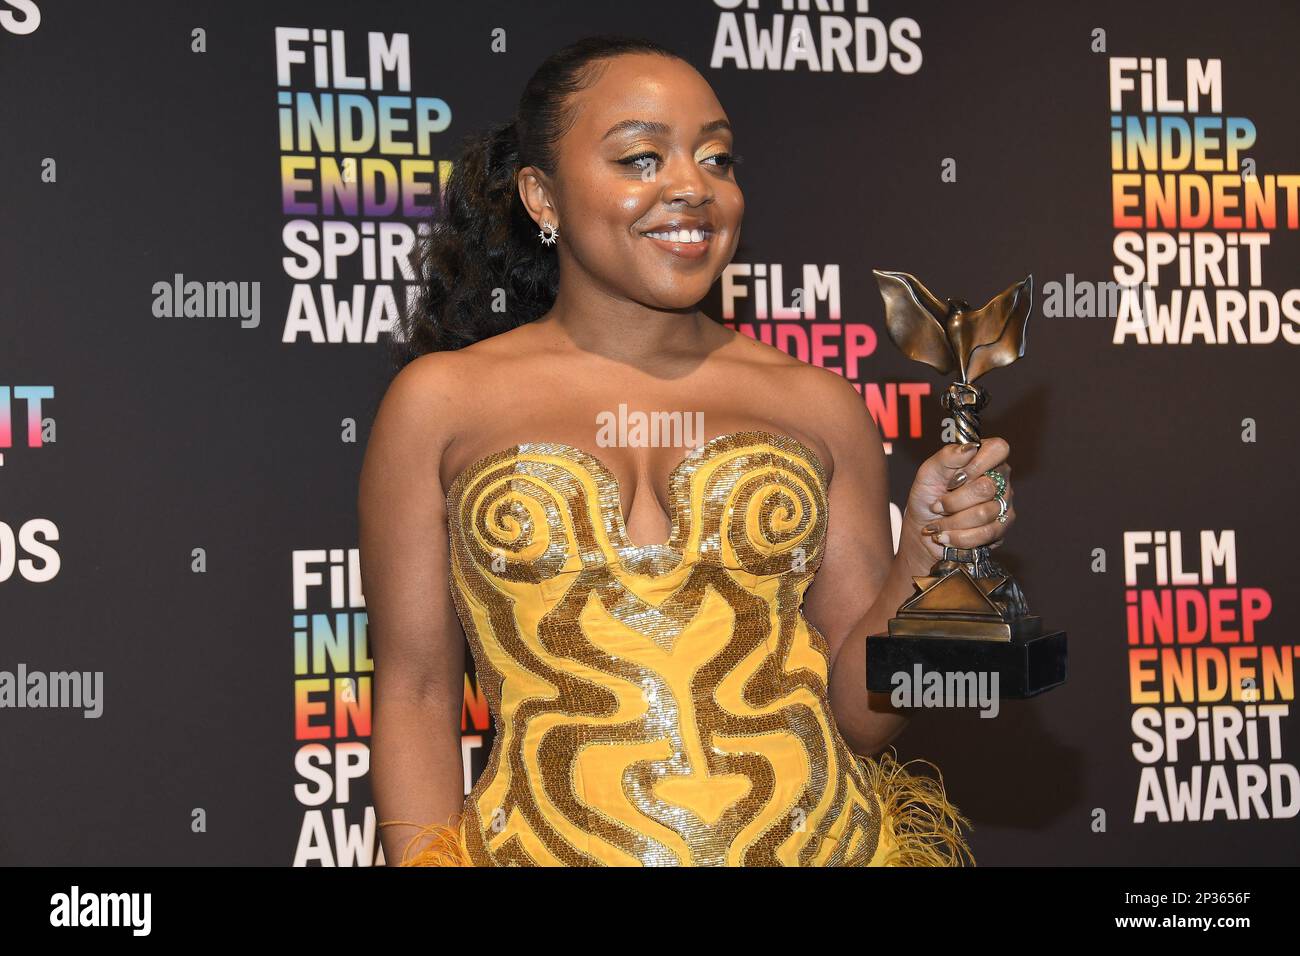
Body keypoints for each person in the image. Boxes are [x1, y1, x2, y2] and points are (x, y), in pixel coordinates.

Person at [359, 34, 1014, 867]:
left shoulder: (816, 402)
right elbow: (414, 694)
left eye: (717, 158)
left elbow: (860, 715)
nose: (691, 188)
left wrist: (923, 562)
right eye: (640, 157)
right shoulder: (440, 403)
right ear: (541, 195)